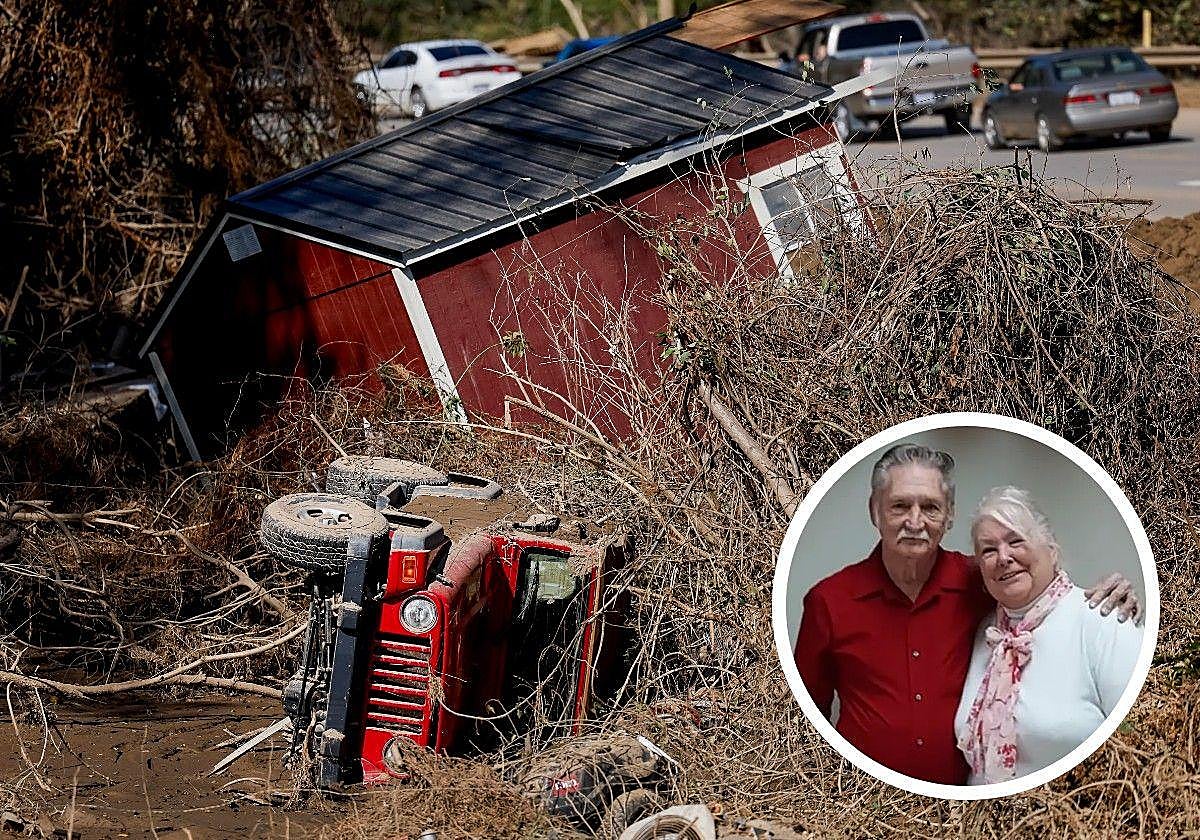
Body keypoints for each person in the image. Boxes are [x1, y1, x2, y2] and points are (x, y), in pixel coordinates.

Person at [793, 443, 1137, 784]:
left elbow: (1037, 587)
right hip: (866, 796)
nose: (915, 521)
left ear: (949, 515)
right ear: (875, 511)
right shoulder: (829, 602)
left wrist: (1115, 594)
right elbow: (804, 722)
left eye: (931, 507)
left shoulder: (980, 582)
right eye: (900, 506)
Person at [954, 486, 1143, 783]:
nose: (1003, 557)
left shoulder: (1105, 620)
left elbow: (1143, 738)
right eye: (988, 550)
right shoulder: (986, 631)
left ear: (1052, 551)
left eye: (1016, 541)